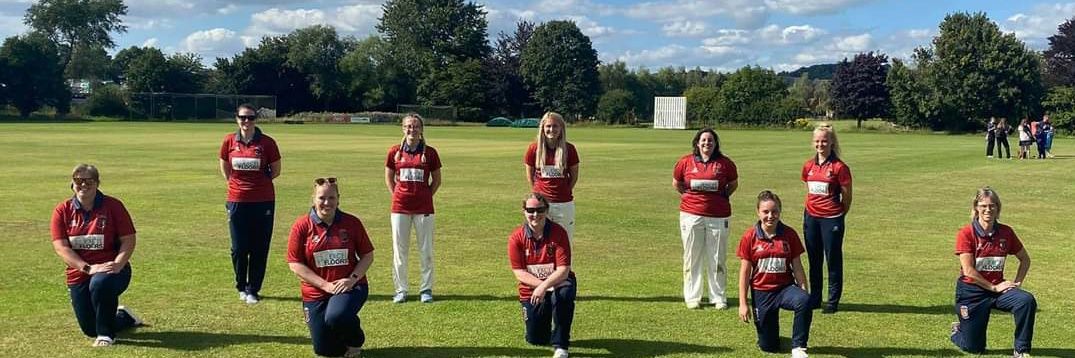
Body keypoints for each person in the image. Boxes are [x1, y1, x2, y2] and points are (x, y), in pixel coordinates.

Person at [50, 164, 144, 347]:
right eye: (78, 180)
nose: (83, 185)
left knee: (100, 283)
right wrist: (88, 268)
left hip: (112, 270)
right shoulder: (62, 210)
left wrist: (118, 264)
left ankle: (106, 335)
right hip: (80, 272)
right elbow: (61, 247)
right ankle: (124, 317)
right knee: (89, 329)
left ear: (97, 183)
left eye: (89, 181)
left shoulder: (113, 206)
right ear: (72, 183)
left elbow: (128, 239)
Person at [287, 177, 375, 358]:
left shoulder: (352, 223)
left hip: (349, 286)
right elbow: (295, 264)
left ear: (338, 199)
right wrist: (325, 285)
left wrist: (352, 279)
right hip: (316, 292)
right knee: (324, 350)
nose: (327, 203)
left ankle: (355, 341)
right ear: (314, 199)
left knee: (336, 315)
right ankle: (339, 330)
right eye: (321, 198)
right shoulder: (301, 226)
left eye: (331, 198)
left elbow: (367, 255)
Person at [950, 187, 1035, 358]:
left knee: (1026, 301)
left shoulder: (1006, 232)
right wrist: (993, 287)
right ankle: (957, 330)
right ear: (976, 208)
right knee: (974, 348)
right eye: (983, 206)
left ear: (998, 208)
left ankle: (1021, 350)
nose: (988, 210)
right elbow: (968, 271)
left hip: (998, 290)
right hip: (971, 292)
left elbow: (1025, 259)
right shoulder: (966, 233)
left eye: (992, 206)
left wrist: (1016, 284)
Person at [218, 103, 282, 304]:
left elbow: (276, 170)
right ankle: (240, 286)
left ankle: (253, 288)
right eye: (242, 117)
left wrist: (258, 184)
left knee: (259, 247)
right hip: (237, 200)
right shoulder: (229, 141)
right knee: (238, 247)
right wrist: (238, 186)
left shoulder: (267, 143)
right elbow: (225, 168)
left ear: (256, 119)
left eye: (250, 118)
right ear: (236, 118)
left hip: (263, 201)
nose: (246, 121)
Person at [737, 191, 811, 358]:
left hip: (784, 289)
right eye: (766, 212)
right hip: (762, 293)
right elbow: (745, 273)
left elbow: (797, 266)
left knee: (804, 300)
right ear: (758, 212)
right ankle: (770, 334)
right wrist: (743, 303)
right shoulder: (749, 237)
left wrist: (803, 289)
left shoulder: (789, 234)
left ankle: (799, 347)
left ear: (780, 212)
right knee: (769, 346)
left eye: (775, 211)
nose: (771, 216)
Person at [672, 127, 739, 309]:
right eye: (703, 140)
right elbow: (677, 184)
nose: (706, 144)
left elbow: (732, 184)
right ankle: (692, 297)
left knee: (717, 257)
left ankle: (718, 297)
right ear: (697, 143)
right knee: (692, 256)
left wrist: (720, 197)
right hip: (691, 214)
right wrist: (691, 198)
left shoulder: (725, 164)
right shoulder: (685, 162)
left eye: (710, 140)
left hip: (718, 215)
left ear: (715, 143)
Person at [508, 193, 576, 358]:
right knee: (536, 339)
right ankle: (543, 326)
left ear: (546, 210)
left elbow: (563, 270)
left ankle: (561, 345)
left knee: (563, 295)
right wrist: (541, 287)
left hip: (558, 283)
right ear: (524, 211)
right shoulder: (516, 237)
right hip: (532, 289)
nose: (535, 215)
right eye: (530, 210)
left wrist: (545, 286)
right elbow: (519, 272)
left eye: (540, 210)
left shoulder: (558, 233)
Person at [385, 114, 442, 304]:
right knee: (399, 251)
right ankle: (401, 290)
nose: (412, 129)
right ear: (403, 128)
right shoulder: (394, 151)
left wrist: (425, 196)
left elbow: (437, 180)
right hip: (400, 207)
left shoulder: (430, 153)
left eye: (416, 126)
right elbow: (389, 177)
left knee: (426, 250)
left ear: (421, 129)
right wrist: (398, 195)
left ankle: (426, 289)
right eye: (409, 126)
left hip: (424, 208)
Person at [801, 124, 852, 314]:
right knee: (814, 260)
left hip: (832, 219)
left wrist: (838, 215)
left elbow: (847, 198)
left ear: (831, 142)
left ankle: (832, 301)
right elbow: (809, 189)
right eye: (817, 141)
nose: (820, 144)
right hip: (811, 217)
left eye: (824, 141)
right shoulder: (808, 165)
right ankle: (815, 298)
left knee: (832, 260)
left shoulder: (840, 167)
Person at [524, 112, 580, 244]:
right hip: (541, 205)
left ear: (561, 129)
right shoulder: (534, 149)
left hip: (564, 204)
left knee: (565, 242)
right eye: (548, 126)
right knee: (541, 241)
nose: (551, 130)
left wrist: (564, 191)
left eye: (555, 126)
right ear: (542, 128)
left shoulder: (569, 149)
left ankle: (564, 266)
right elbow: (530, 175)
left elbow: (574, 176)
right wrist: (538, 195)